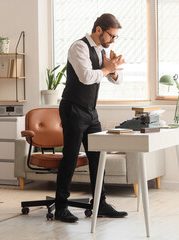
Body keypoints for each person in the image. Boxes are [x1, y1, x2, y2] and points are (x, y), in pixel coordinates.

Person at [55, 13, 128, 223]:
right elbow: (87, 77)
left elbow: (117, 79)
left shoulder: (100, 50)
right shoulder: (78, 47)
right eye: (111, 36)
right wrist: (107, 69)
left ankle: (100, 203)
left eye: (115, 37)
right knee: (70, 157)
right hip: (73, 109)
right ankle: (61, 206)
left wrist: (112, 70)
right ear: (98, 30)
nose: (113, 40)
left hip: (90, 111)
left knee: (98, 157)